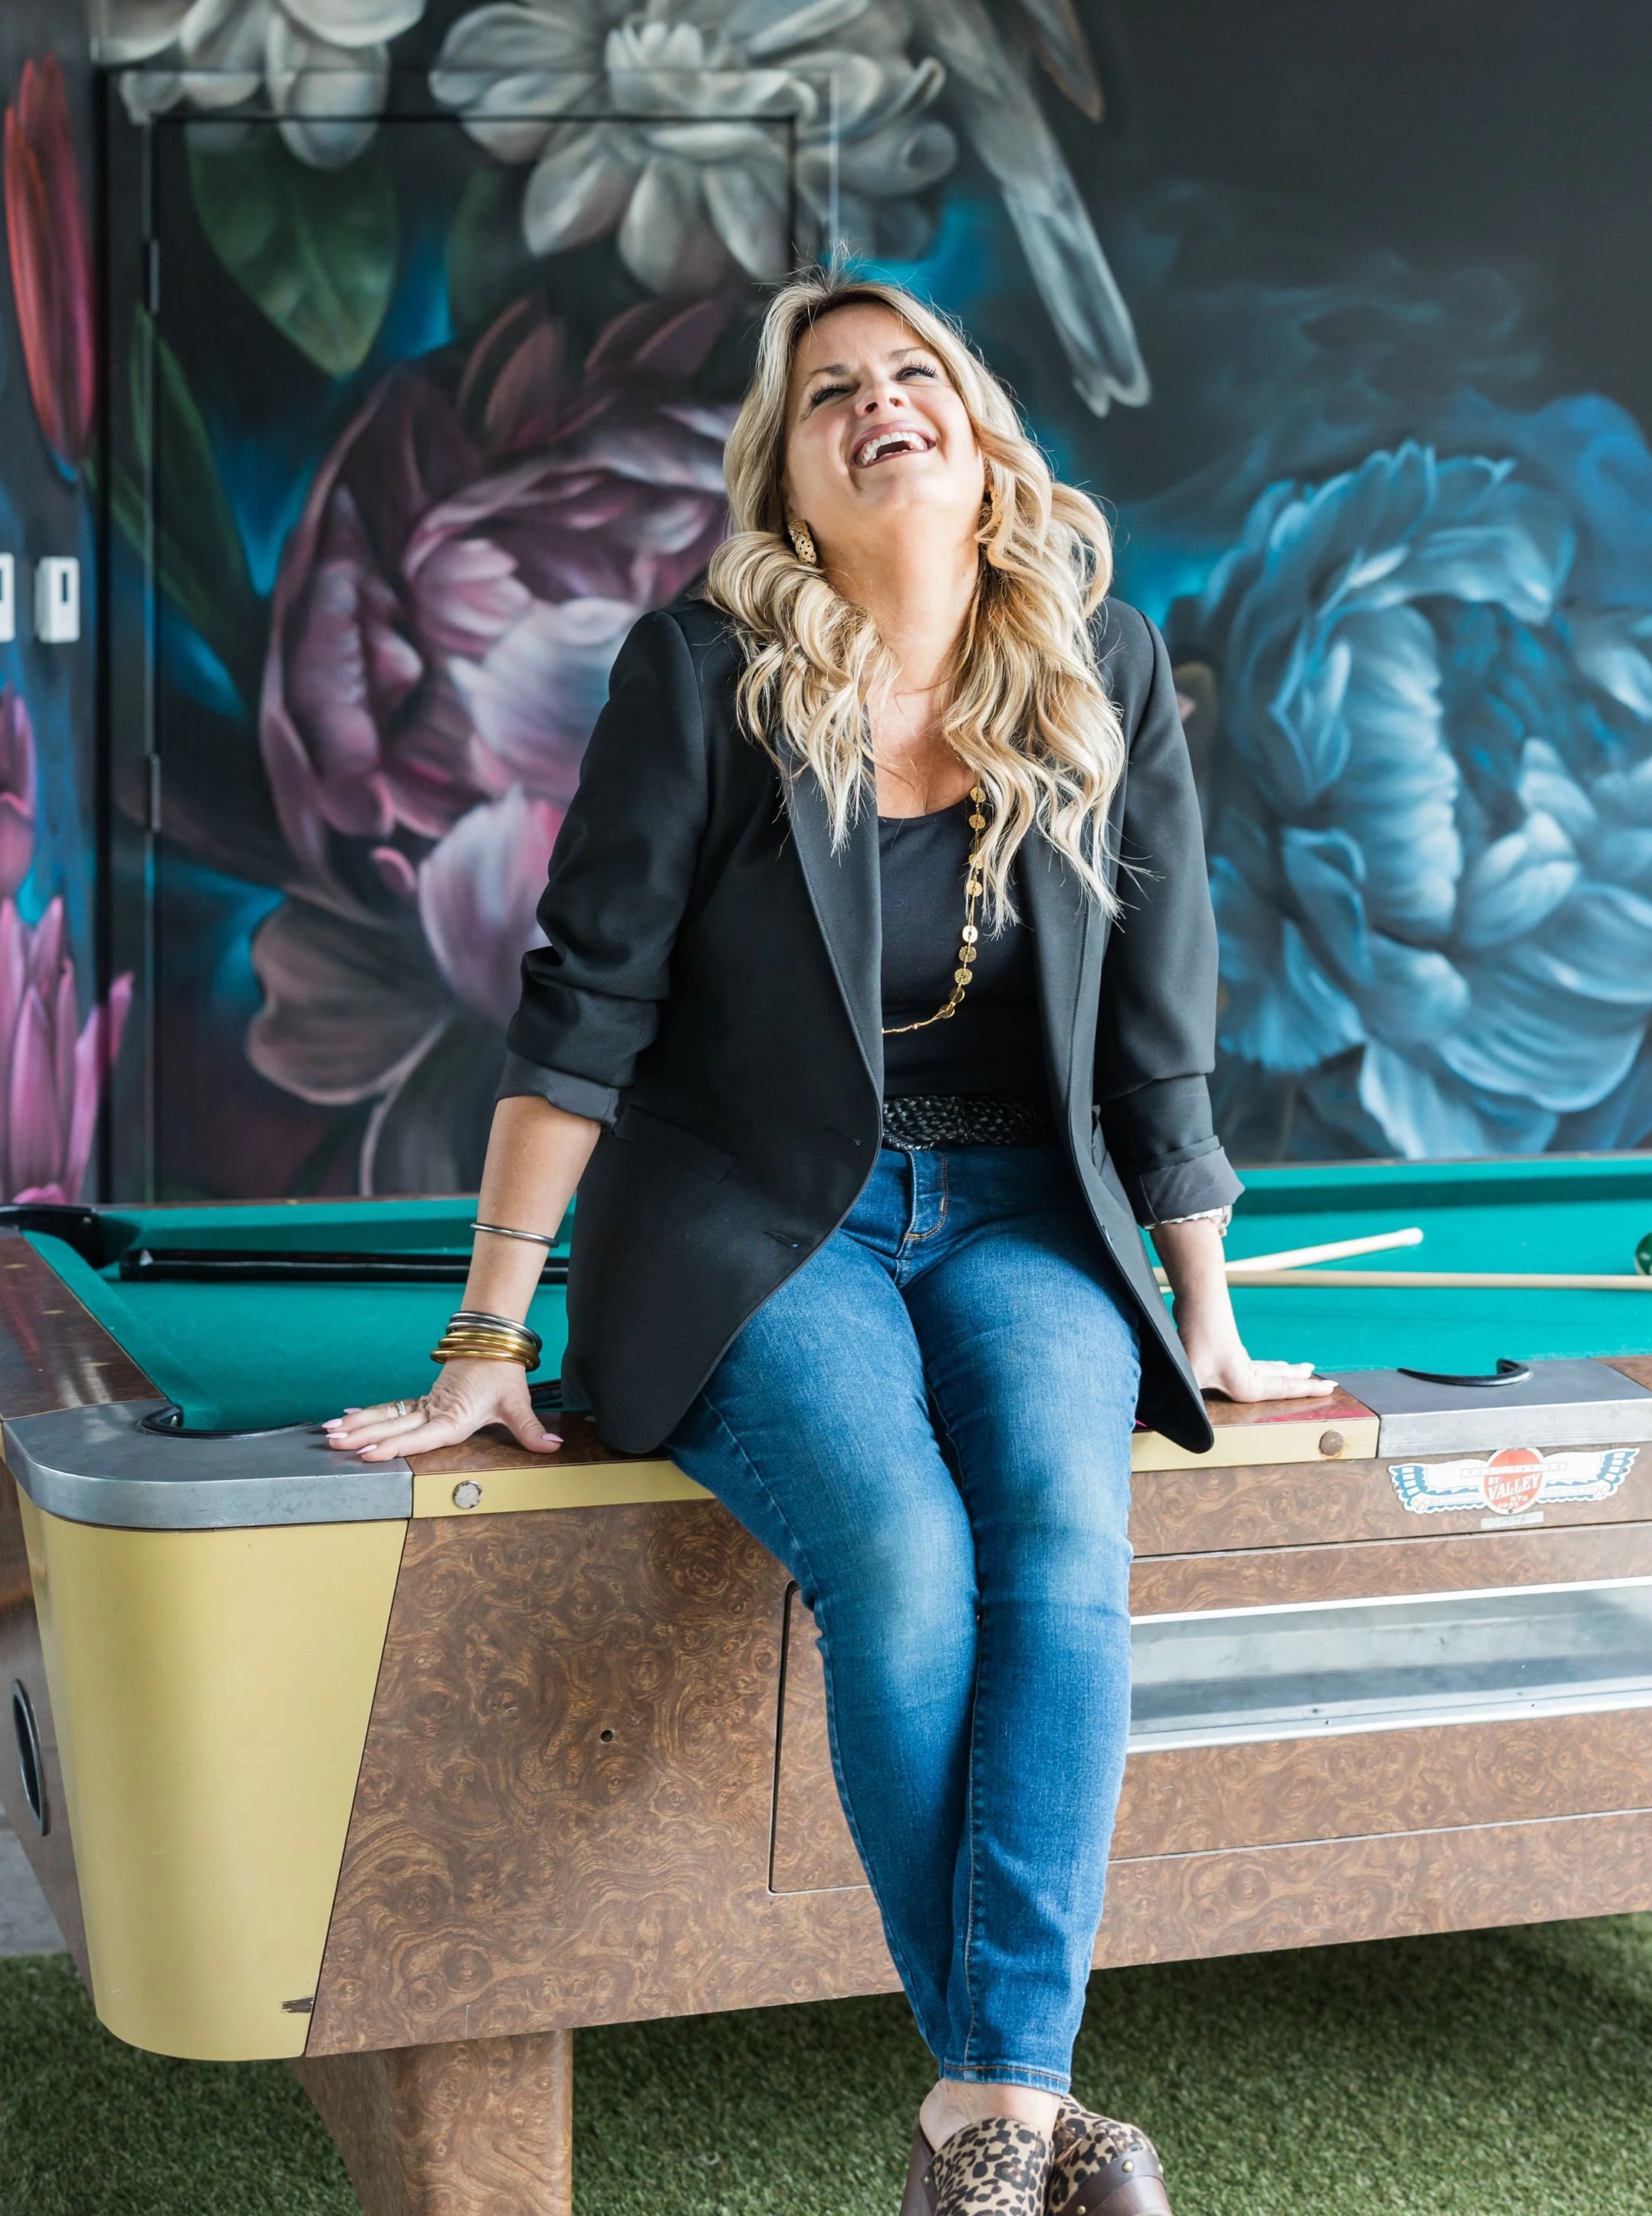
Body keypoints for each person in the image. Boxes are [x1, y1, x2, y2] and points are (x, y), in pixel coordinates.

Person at [326, 269, 1331, 2216]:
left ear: (975, 430)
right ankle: (1024, 2112)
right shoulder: (700, 672)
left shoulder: (1100, 662)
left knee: (1063, 1533)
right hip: (766, 1218)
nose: (878, 405)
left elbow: (1160, 1029)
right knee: (899, 1548)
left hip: (1026, 1207)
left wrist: (1202, 1314)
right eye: (826, 397)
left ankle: (988, 2115)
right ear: (786, 480)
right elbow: (584, 1007)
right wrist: (484, 1337)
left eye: (911, 375)